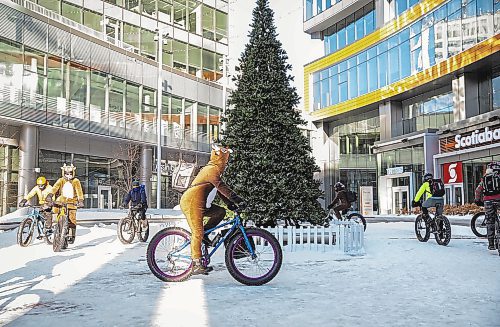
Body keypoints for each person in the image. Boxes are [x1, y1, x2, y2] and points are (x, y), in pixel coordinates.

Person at [180, 143, 246, 275]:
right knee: (197, 231)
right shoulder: (211, 169)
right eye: (225, 158)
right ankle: (196, 263)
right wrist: (237, 199)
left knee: (220, 212)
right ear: (219, 158)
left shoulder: (214, 170)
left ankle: (204, 235)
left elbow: (219, 191)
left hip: (200, 203)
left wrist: (230, 204)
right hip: (192, 202)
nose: (226, 162)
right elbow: (222, 187)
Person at [45, 164, 84, 244]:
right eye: (66, 173)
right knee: (55, 210)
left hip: (72, 202)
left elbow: (79, 191)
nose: (68, 175)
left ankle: (71, 235)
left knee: (72, 219)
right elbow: (55, 187)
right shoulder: (61, 180)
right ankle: (54, 227)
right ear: (63, 173)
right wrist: (50, 195)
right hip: (61, 200)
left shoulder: (76, 181)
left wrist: (80, 200)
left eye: (70, 173)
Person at [474, 165, 500, 251]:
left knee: (490, 221)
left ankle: (491, 244)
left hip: (488, 201)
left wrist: (477, 200)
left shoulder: (484, 179)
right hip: (499, 199)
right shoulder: (498, 177)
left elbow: (478, 190)